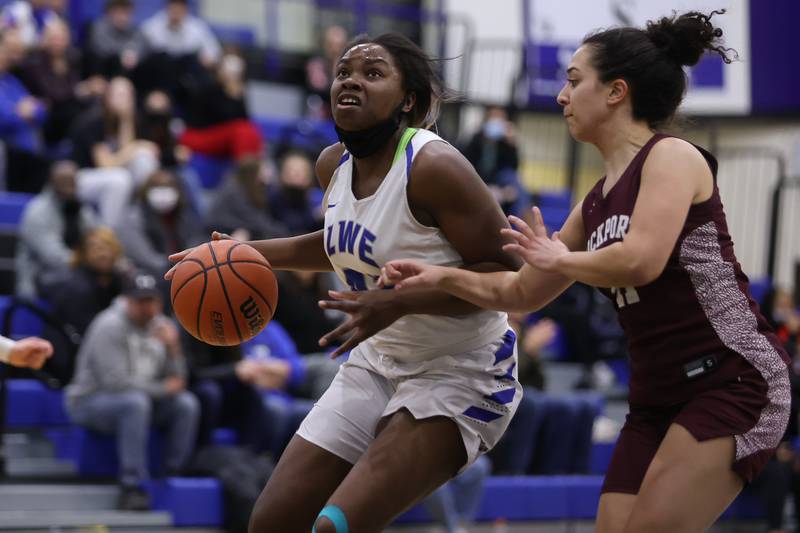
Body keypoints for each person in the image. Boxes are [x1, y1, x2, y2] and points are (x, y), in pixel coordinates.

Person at [381, 11, 791, 532]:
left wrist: (561, 259)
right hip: (656, 393)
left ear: (617, 91)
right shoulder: (594, 202)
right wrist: (440, 276)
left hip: (734, 378)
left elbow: (642, 260)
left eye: (575, 81)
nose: (562, 96)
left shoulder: (673, 157)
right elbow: (523, 291)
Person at [166, 32, 522, 533]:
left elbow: (506, 272)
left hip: (461, 370)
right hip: (378, 361)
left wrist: (402, 301)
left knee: (334, 526)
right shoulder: (332, 164)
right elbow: (340, 240)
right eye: (343, 72)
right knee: (270, 523)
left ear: (409, 100)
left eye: (372, 73)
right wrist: (239, 256)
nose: (351, 80)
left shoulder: (434, 167)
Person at [65, 272, 200, 511]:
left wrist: (174, 348)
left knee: (186, 404)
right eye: (140, 302)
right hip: (90, 402)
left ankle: (172, 473)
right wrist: (161, 388)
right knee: (135, 403)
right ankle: (132, 486)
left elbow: (179, 380)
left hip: (141, 400)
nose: (147, 308)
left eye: (151, 301)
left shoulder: (163, 327)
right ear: (127, 301)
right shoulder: (108, 325)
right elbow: (114, 383)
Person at [15, 160, 97, 299]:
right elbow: (53, 257)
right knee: (81, 285)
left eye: (71, 180)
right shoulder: (37, 211)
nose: (68, 185)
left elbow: (96, 237)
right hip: (40, 277)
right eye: (63, 180)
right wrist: (91, 263)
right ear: (51, 181)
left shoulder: (82, 209)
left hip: (78, 271)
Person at [462, 105, 530, 218]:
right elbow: (465, 162)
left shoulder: (505, 143)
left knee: (517, 187)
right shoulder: (476, 139)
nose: (496, 122)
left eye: (500, 119)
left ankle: (528, 224)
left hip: (499, 181)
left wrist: (513, 144)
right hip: (477, 179)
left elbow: (513, 167)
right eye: (494, 118)